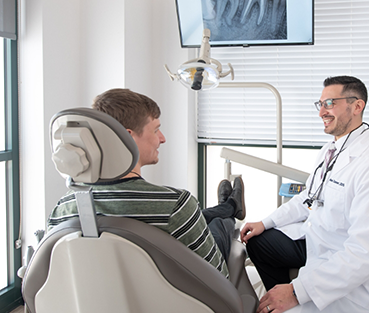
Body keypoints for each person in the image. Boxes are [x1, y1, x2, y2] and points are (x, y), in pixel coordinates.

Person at [241, 76, 369, 313]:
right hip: (319, 243)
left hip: (358, 275)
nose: (321, 113)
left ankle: (284, 301)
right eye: (320, 104)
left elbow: (362, 254)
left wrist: (298, 291)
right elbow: (308, 197)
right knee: (258, 242)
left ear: (357, 107)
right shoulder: (331, 150)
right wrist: (265, 223)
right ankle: (278, 296)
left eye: (330, 103)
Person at [48, 88, 245, 278]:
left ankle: (227, 206)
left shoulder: (63, 209)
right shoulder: (176, 204)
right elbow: (218, 278)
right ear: (128, 137)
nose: (163, 138)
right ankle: (229, 210)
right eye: (156, 130)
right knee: (219, 225)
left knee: (195, 217)